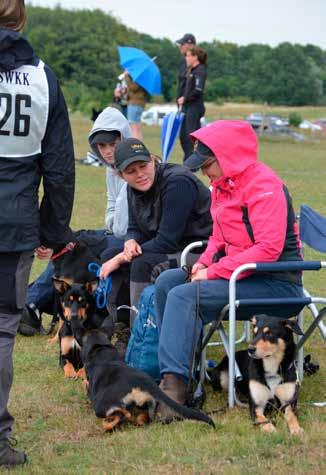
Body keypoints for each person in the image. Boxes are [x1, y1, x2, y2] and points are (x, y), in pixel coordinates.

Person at [154, 120, 304, 415]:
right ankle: (183, 369)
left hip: (276, 283)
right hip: (242, 275)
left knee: (184, 297)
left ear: (229, 156)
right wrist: (203, 263)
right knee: (168, 282)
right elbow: (217, 238)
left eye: (208, 165)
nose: (204, 172)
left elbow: (268, 250)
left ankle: (174, 388)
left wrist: (213, 272)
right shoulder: (222, 187)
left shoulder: (264, 185)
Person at [0, 0, 75, 466]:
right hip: (14, 224)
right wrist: (52, 228)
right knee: (4, 328)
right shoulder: (43, 78)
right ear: (21, 19)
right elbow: (61, 169)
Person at [18, 107, 131, 337]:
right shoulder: (111, 170)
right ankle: (31, 302)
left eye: (113, 143)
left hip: (129, 237)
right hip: (115, 231)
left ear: (124, 137)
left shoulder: (131, 166)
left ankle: (30, 302)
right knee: (68, 241)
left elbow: (120, 226)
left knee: (74, 245)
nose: (108, 151)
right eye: (102, 146)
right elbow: (111, 215)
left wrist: (114, 219)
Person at [100, 138, 213, 325]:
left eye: (143, 166)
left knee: (142, 262)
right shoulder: (132, 187)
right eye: (131, 171)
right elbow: (135, 227)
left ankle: (142, 329)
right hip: (171, 247)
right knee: (109, 253)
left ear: (153, 160)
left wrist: (122, 257)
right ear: (121, 176)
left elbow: (166, 241)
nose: (140, 174)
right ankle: (121, 325)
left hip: (200, 252)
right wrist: (130, 241)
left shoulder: (178, 182)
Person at [178, 46, 207, 161]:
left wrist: (185, 98)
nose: (186, 58)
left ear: (195, 57)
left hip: (195, 107)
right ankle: (188, 160)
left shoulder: (200, 71)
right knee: (183, 136)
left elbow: (198, 90)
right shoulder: (191, 71)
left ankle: (194, 161)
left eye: (188, 55)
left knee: (191, 136)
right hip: (187, 107)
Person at [124, 72, 148, 140]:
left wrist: (127, 76)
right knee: (137, 128)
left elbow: (133, 88)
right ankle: (139, 146)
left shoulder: (139, 76)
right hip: (139, 104)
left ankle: (135, 146)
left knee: (133, 128)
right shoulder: (145, 76)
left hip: (134, 104)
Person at [175, 33, 196, 110]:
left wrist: (185, 98)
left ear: (191, 45)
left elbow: (195, 88)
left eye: (183, 44)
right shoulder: (183, 61)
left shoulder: (196, 62)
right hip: (181, 105)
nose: (180, 46)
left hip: (190, 105)